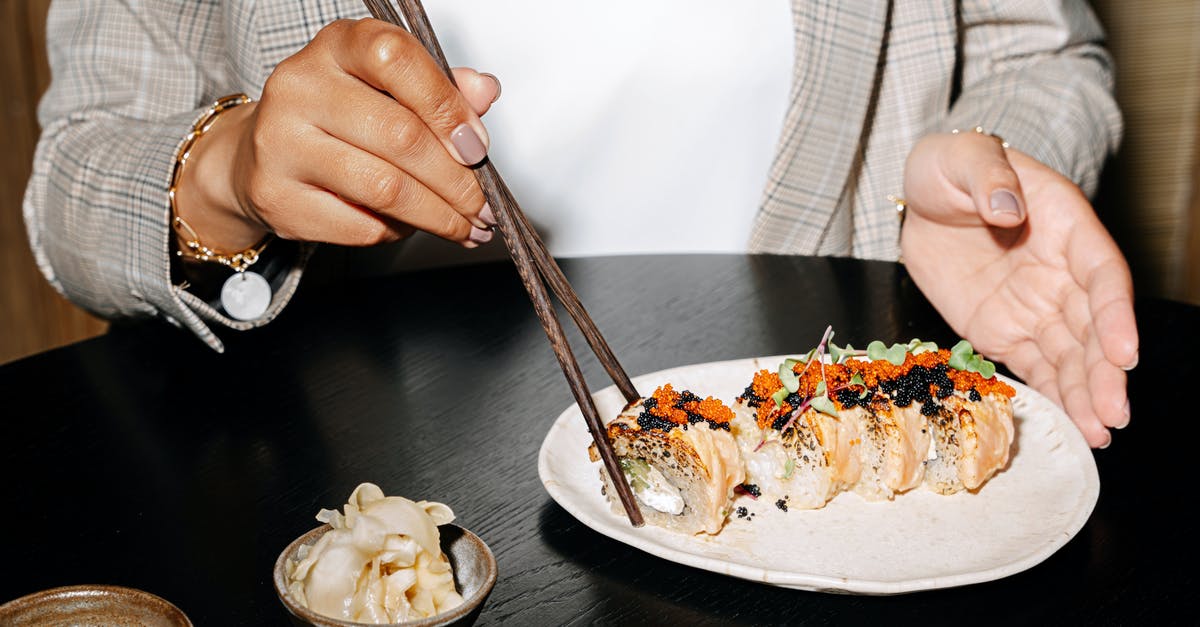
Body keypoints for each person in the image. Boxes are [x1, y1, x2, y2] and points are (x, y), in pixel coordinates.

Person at [24, 0, 1137, 449]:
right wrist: (229, 169)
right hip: (387, 517)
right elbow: (79, 172)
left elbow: (1037, 52)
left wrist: (985, 164)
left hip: (822, 475)